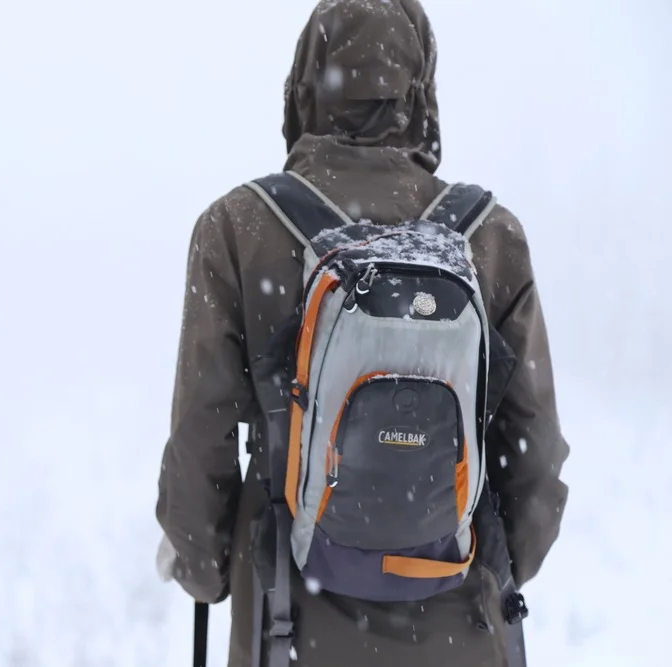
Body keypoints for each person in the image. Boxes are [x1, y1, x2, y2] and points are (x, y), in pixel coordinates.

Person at [154, 1, 570, 666]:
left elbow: (200, 445)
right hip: (460, 627)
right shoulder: (490, 237)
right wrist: (477, 566)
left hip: (288, 628)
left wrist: (205, 568)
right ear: (421, 90)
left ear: (304, 85)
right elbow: (535, 460)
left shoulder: (237, 229)